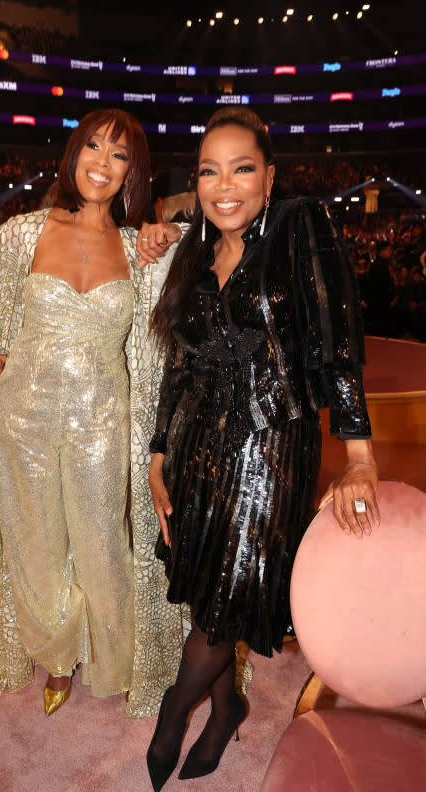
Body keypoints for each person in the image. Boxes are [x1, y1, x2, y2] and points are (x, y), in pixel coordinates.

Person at [146, 106, 379, 789]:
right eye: (208, 171)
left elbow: (336, 343)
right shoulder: (191, 253)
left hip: (271, 449)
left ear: (269, 176)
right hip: (193, 448)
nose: (225, 185)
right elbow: (176, 367)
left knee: (229, 595)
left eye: (241, 168)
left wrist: (359, 455)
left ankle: (173, 714)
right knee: (205, 595)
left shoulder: (299, 225)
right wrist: (158, 453)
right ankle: (226, 710)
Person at [0, 109, 185, 717]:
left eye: (119, 154)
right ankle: (57, 657)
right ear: (74, 155)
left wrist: (172, 231)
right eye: (93, 147)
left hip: (103, 423)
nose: (102, 162)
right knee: (36, 542)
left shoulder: (139, 248)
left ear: (133, 173)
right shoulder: (27, 231)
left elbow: (211, 242)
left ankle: (116, 654)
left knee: (104, 542)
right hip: (22, 417)